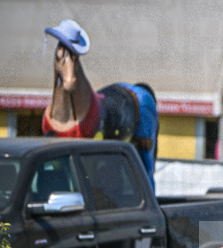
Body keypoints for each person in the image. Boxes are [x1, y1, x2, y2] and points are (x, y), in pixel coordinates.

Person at [41, 20, 159, 189]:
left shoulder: (93, 117)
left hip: (137, 103)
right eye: (62, 57)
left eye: (73, 59)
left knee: (145, 160)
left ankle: (149, 189)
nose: (70, 76)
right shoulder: (49, 119)